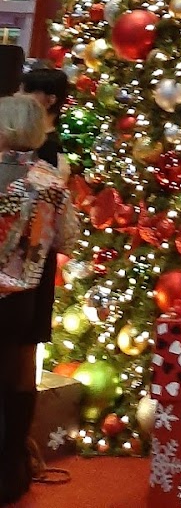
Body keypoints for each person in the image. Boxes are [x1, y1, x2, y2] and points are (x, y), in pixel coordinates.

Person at [0, 94, 78, 505]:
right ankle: (12, 470)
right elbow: (68, 238)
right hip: (29, 291)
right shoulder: (50, 181)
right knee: (20, 375)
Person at [20, 68, 70, 175]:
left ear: (51, 100)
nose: (19, 96)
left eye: (27, 91)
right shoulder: (25, 135)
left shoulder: (48, 147)